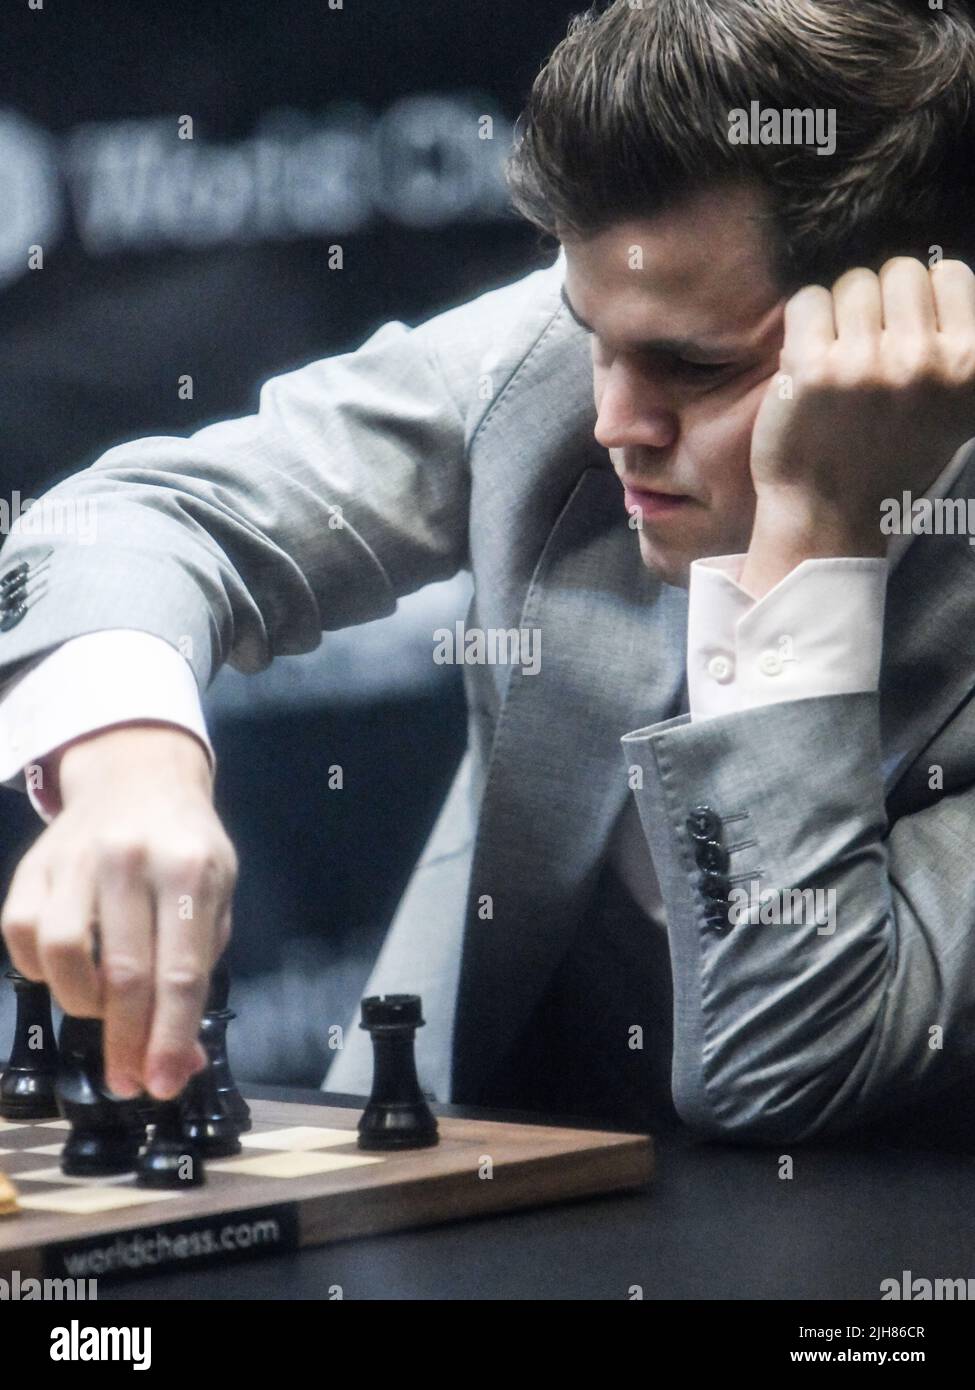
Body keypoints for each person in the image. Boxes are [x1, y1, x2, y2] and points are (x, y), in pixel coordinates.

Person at [3, 0, 975, 1142]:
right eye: (591, 336)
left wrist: (814, 537)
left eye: (692, 368)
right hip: (469, 1164)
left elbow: (789, 1068)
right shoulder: (571, 357)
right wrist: (134, 767)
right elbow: (122, 519)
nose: (610, 421)